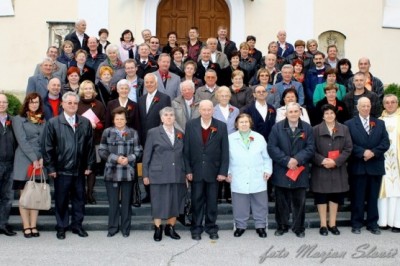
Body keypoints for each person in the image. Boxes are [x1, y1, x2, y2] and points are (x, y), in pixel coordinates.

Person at [42, 92, 95, 240]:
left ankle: (77, 225)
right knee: (61, 200)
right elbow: (47, 148)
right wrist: (51, 168)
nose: (72, 105)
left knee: (79, 199)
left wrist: (89, 165)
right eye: (69, 103)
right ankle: (61, 226)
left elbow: (90, 146)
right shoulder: (53, 123)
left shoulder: (85, 122)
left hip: (79, 169)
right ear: (63, 104)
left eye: (75, 103)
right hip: (61, 170)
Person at [268, 102, 315, 238]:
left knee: (299, 201)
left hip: (300, 170)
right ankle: (282, 226)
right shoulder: (277, 128)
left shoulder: (307, 128)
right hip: (282, 169)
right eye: (291, 112)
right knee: (281, 201)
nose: (293, 114)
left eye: (296, 111)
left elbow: (311, 148)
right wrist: (287, 160)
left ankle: (298, 227)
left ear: (300, 112)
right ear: (285, 113)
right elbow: (272, 148)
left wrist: (297, 159)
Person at [184, 100, 229, 240]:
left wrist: (223, 171)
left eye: (209, 109)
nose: (206, 112)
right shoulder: (190, 125)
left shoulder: (221, 126)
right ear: (199, 110)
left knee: (212, 201)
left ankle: (211, 227)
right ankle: (196, 228)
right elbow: (186, 150)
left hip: (214, 171)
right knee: (196, 200)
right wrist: (188, 170)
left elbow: (225, 151)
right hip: (196, 170)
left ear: (213, 110)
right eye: (204, 109)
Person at [345, 97, 390, 235]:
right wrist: (363, 152)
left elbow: (385, 142)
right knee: (357, 197)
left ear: (371, 107)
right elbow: (348, 144)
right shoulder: (349, 124)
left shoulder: (380, 123)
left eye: (368, 106)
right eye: (363, 106)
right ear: (357, 107)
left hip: (375, 165)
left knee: (373, 197)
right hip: (358, 165)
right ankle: (356, 223)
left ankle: (372, 223)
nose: (365, 108)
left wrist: (373, 153)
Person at [142, 107, 186, 241]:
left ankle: (170, 227)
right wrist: (145, 174)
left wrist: (185, 173)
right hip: (158, 174)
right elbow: (147, 154)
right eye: (166, 115)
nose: (169, 117)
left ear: (175, 118)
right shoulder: (153, 132)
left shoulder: (180, 133)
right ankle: (158, 228)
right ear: (161, 118)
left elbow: (183, 154)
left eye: (171, 115)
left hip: (177, 173)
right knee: (158, 202)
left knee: (175, 201)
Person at [99, 107, 142, 238]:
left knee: (126, 202)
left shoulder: (133, 133)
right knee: (113, 203)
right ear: (113, 119)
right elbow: (102, 150)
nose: (119, 121)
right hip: (111, 171)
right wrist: (116, 158)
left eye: (122, 119)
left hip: (127, 172)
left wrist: (128, 159)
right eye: (117, 119)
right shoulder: (107, 132)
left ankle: (125, 228)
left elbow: (139, 151)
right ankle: (112, 228)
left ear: (126, 120)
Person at [227, 114, 272, 238]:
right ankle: (240, 226)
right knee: (239, 203)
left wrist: (267, 170)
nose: (244, 124)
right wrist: (228, 172)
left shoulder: (259, 138)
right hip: (238, 175)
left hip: (258, 174)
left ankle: (261, 226)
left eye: (246, 122)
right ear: (236, 124)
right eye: (241, 122)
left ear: (250, 123)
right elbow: (226, 159)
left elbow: (266, 157)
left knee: (260, 202)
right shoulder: (230, 139)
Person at [311, 104, 353, 236]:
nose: (329, 115)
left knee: (335, 196)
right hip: (321, 168)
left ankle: (332, 224)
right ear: (323, 116)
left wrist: (336, 161)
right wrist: (322, 161)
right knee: (321, 197)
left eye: (331, 113)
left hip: (337, 169)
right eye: (326, 113)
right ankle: (323, 224)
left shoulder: (344, 129)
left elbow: (348, 148)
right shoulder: (315, 130)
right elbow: (310, 149)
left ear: (335, 114)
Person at [12, 93, 46, 238]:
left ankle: (33, 225)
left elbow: (46, 141)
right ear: (27, 103)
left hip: (39, 161)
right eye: (31, 102)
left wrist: (43, 157)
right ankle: (26, 226)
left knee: (35, 193)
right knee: (25, 195)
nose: (34, 104)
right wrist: (34, 159)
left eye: (36, 102)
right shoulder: (18, 120)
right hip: (24, 160)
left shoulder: (43, 120)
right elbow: (22, 141)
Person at [138, 73, 172, 203]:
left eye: (151, 82)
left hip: (159, 139)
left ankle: (160, 194)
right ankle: (148, 194)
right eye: (146, 82)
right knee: (146, 165)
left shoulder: (164, 98)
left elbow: (166, 119)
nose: (149, 84)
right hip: (144, 139)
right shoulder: (141, 99)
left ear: (156, 83)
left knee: (159, 166)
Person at [77, 80, 106, 204]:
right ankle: (80, 194)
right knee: (80, 168)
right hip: (79, 141)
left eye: (90, 88)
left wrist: (97, 125)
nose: (88, 91)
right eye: (86, 88)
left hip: (95, 141)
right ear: (82, 90)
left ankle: (90, 193)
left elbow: (105, 122)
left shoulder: (99, 104)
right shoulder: (76, 104)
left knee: (92, 168)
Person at [213, 86, 240, 204]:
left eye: (226, 95)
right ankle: (218, 194)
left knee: (231, 166)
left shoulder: (236, 110)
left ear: (230, 97)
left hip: (233, 142)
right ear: (218, 97)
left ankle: (229, 194)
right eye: (222, 95)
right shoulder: (213, 110)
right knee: (219, 166)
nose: (224, 97)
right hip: (217, 142)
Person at [378, 94, 400, 232]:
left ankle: (397, 222)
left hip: (397, 161)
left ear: (397, 103)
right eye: (387, 102)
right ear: (383, 104)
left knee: (397, 192)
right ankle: (383, 221)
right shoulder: (379, 120)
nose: (390, 104)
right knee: (383, 191)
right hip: (383, 160)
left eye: (393, 102)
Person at [0, 93, 17, 237]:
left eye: (4, 102)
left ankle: (3, 224)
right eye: (0, 102)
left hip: (10, 163)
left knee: (7, 196)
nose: (2, 104)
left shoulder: (13, 121)